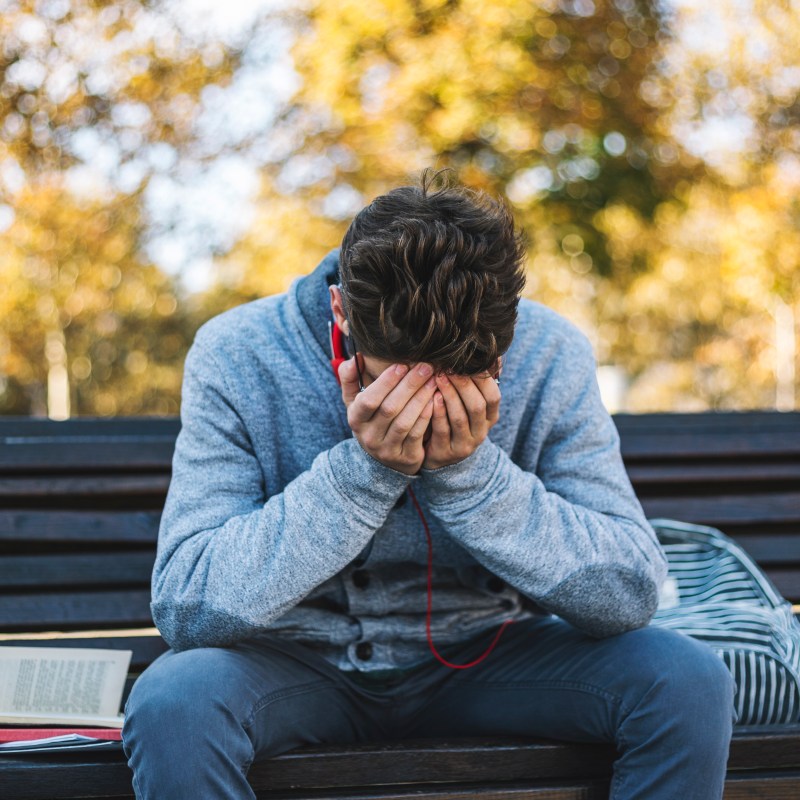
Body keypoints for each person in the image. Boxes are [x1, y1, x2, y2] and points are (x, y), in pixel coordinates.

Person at [123, 170, 736, 799]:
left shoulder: (552, 354)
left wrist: (472, 477)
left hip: (490, 653)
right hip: (292, 663)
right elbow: (188, 604)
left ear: (509, 335)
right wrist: (363, 475)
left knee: (686, 681)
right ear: (342, 310)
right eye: (401, 383)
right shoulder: (237, 353)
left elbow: (631, 591)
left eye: (464, 379)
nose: (428, 405)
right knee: (175, 702)